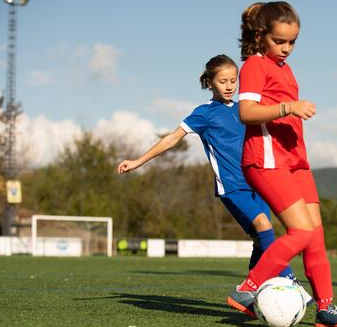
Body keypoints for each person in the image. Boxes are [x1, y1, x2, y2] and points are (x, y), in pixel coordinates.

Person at [117, 54, 312, 312]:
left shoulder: (247, 110)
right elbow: (172, 138)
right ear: (210, 82)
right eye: (223, 81)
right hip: (232, 187)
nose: (230, 86)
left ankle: (248, 296)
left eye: (234, 80)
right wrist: (139, 161)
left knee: (260, 239)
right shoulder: (204, 114)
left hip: (260, 183)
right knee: (264, 227)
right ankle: (289, 280)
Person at [227, 2, 337, 327]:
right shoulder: (255, 65)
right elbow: (245, 113)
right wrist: (288, 107)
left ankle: (326, 308)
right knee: (300, 232)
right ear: (262, 36)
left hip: (296, 162)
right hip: (266, 160)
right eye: (279, 41)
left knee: (316, 236)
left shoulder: (284, 68)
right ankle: (249, 287)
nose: (286, 49)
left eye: (292, 42)